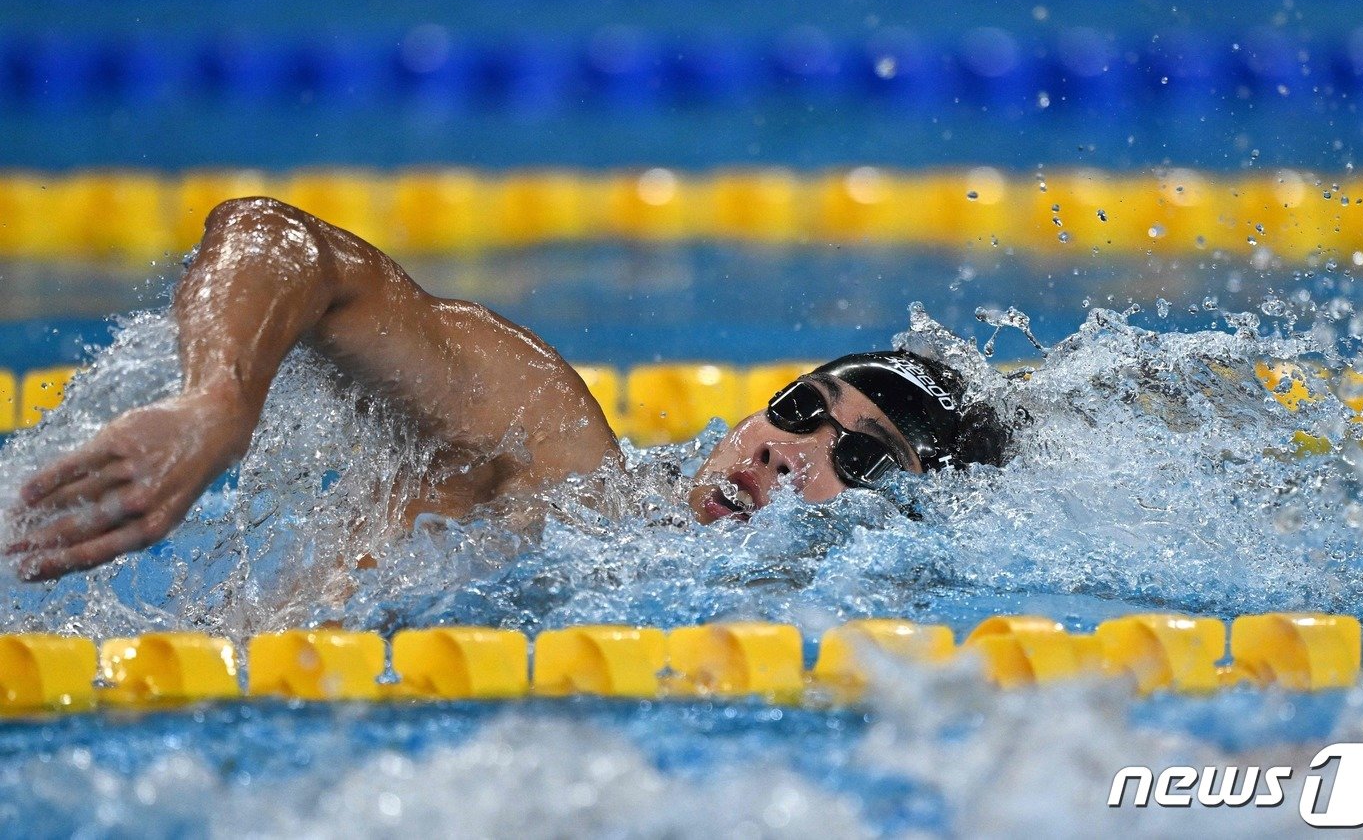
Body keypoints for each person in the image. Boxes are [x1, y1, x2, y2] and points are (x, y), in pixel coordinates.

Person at [6, 197, 1012, 582]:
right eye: (798, 410)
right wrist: (216, 399)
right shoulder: (550, 457)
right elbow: (285, 243)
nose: (788, 450)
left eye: (860, 457)